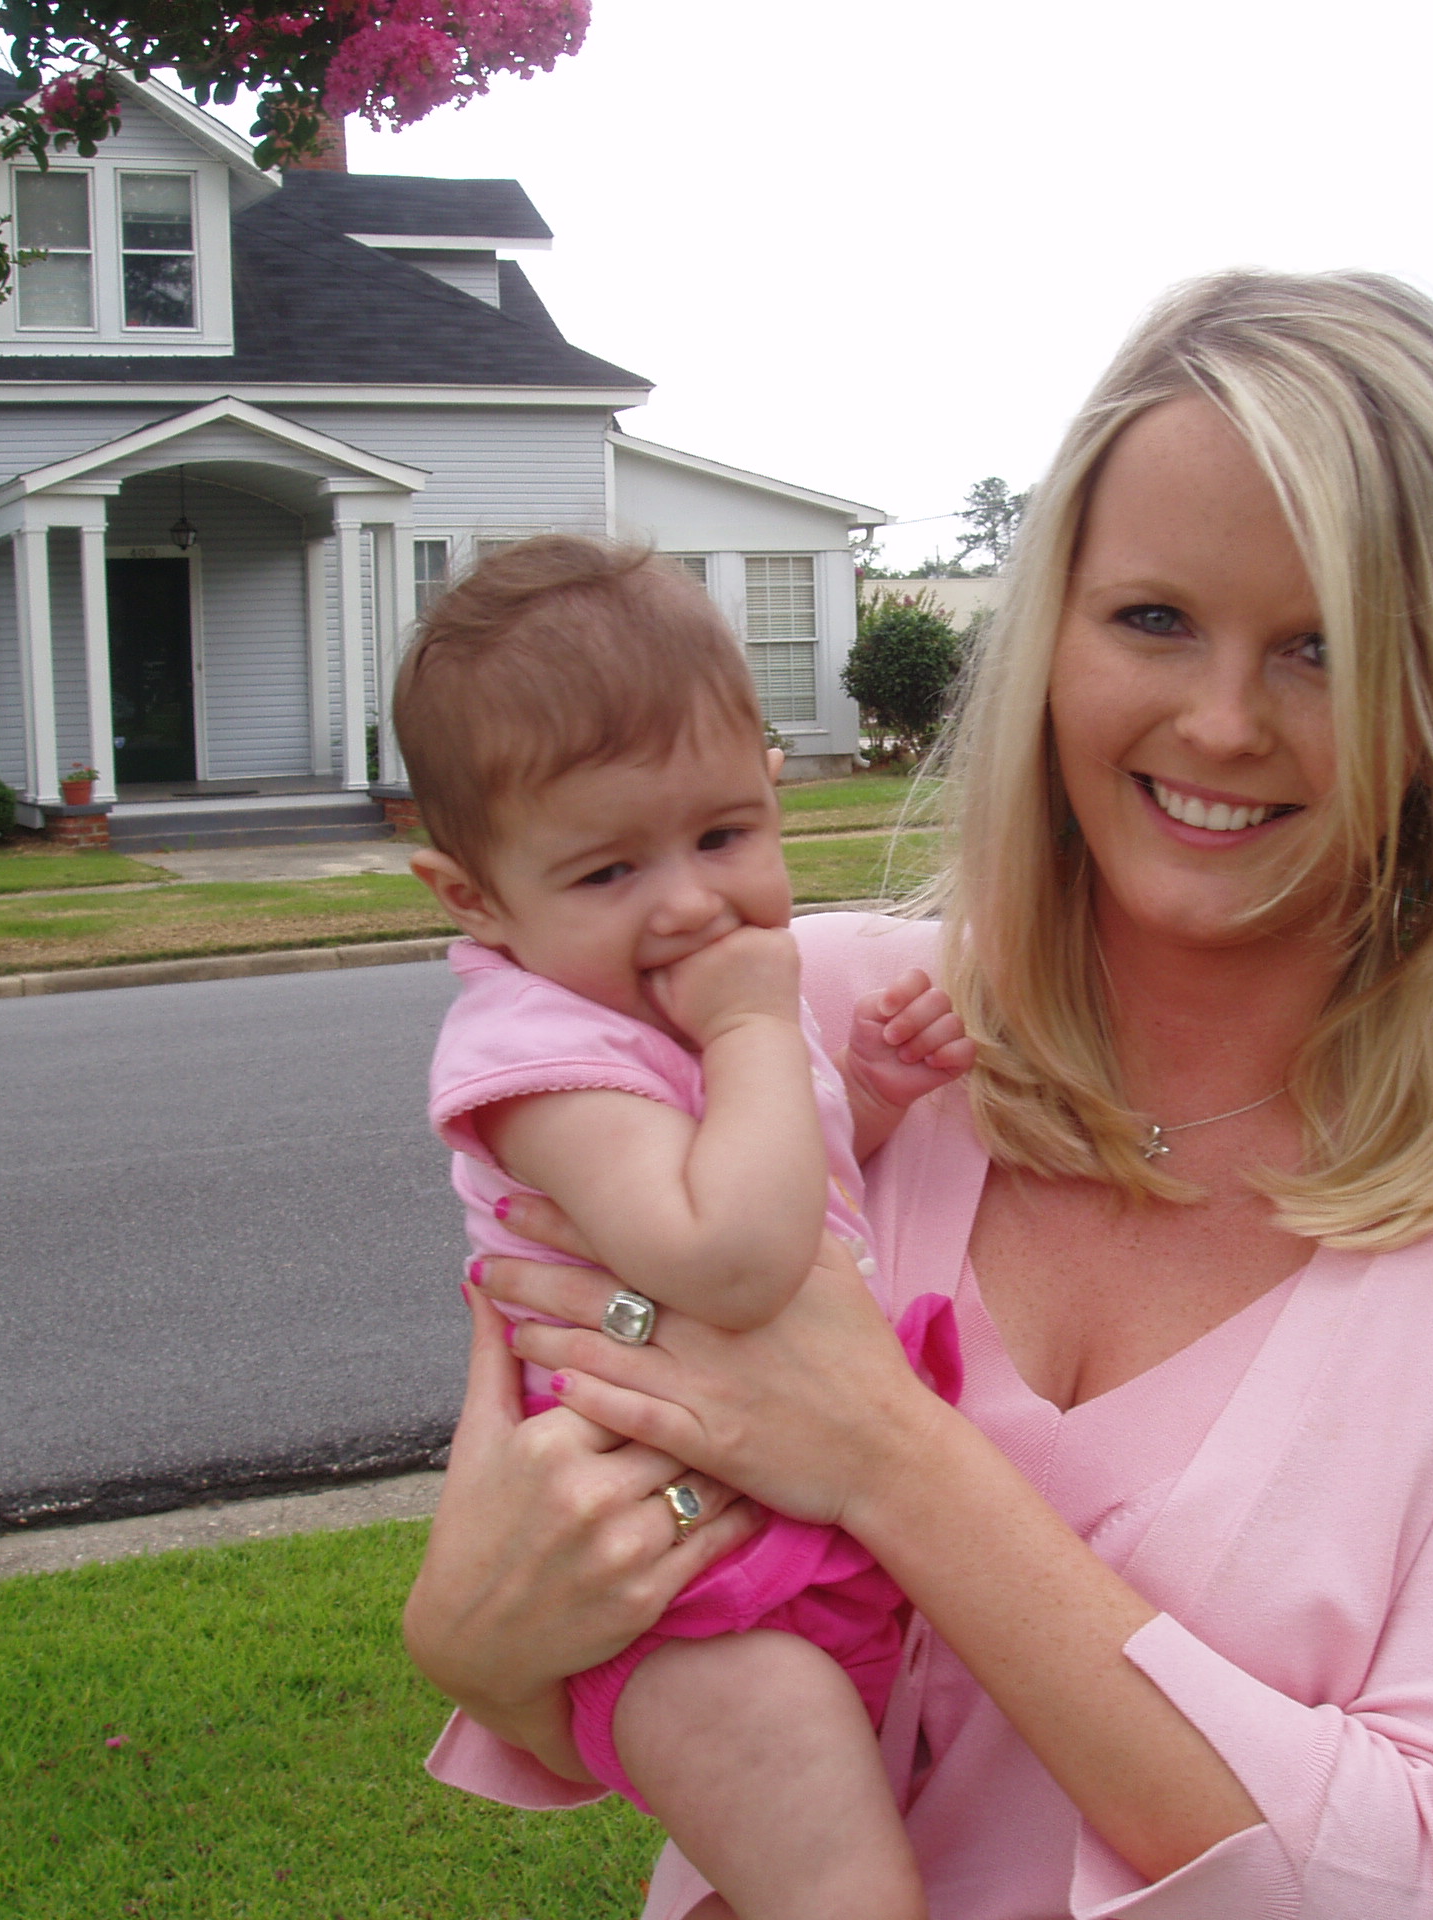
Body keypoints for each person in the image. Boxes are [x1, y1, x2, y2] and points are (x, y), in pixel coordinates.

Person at [406, 270, 1433, 1920]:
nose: (1221, 722)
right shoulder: (816, 1027)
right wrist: (473, 1638)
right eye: (1153, 619)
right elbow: (563, 1586)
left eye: (1322, 647)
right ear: (1049, 639)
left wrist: (889, 1459)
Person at [397, 536, 977, 1920]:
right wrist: (758, 1026)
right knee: (848, 1893)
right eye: (608, 871)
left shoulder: (652, 1007)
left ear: (772, 792)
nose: (690, 901)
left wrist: (867, 1100)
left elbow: (788, 1186)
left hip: (772, 1533)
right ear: (474, 897)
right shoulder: (538, 1058)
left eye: (723, 836)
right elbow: (730, 1259)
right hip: (685, 1603)